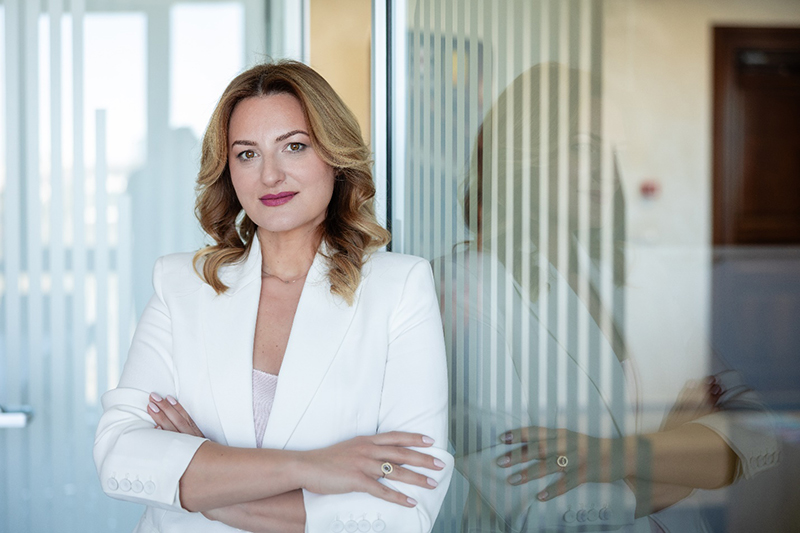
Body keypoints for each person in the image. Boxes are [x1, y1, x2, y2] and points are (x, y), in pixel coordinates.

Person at [94, 60, 454, 533]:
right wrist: (310, 467)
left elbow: (404, 505)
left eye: (294, 147)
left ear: (335, 157)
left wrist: (207, 482)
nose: (270, 175)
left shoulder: (400, 288)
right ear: (228, 171)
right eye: (247, 154)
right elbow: (121, 455)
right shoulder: (181, 283)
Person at [433, 63, 779, 532]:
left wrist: (613, 456)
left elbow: (755, 431)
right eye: (583, 148)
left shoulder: (636, 275)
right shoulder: (465, 285)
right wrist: (681, 459)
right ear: (524, 153)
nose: (606, 170)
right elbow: (535, 505)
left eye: (614, 151)